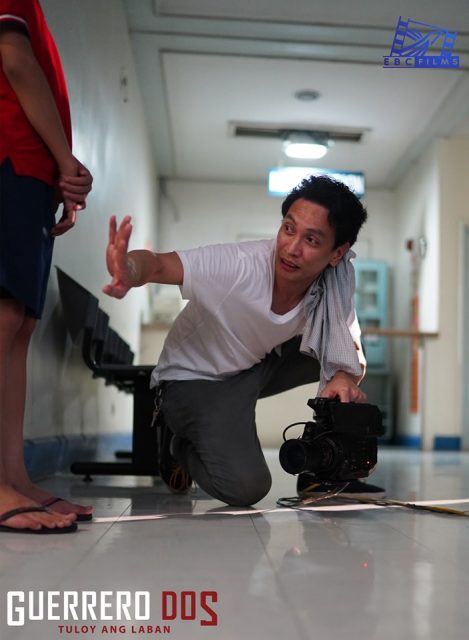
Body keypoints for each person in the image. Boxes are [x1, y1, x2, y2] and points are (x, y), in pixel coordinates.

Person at [103, 175, 385, 506]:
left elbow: (346, 342)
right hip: (192, 382)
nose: (291, 248)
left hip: (252, 368)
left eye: (311, 239)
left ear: (337, 253)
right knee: (248, 488)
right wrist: (128, 268)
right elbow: (159, 265)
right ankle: (178, 445)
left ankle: (322, 469)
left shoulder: (333, 283)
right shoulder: (239, 266)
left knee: (345, 361)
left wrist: (343, 375)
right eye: (288, 229)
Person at [0, 0, 94, 533]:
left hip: (29, 172)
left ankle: (14, 477)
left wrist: (57, 176)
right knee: (4, 320)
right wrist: (67, 162)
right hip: (9, 157)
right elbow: (15, 61)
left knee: (19, 325)